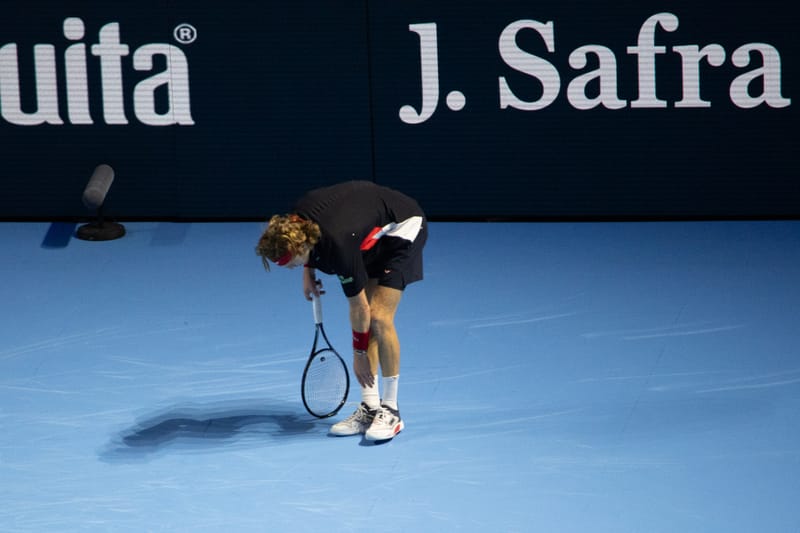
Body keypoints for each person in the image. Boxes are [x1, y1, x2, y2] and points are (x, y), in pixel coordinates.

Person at [255, 180, 427, 441]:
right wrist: (306, 271)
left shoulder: (339, 246)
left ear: (302, 248)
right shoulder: (296, 222)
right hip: (368, 228)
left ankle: (391, 410)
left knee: (378, 318)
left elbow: (359, 308)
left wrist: (358, 354)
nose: (287, 268)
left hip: (403, 225)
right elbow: (306, 245)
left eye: (291, 263)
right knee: (366, 323)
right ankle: (370, 407)